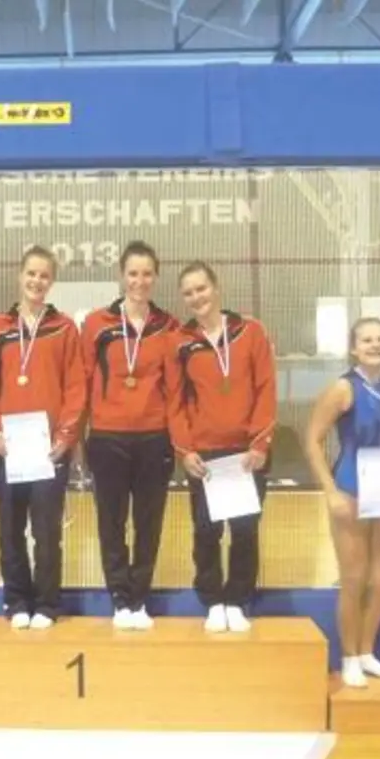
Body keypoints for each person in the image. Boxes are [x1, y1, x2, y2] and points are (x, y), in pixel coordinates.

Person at [167, 262, 276, 634]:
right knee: (206, 530)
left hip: (248, 453)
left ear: (216, 288)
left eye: (202, 288)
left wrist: (260, 443)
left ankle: (237, 600)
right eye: (189, 292)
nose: (197, 297)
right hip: (206, 455)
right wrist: (186, 451)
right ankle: (213, 599)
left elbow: (266, 388)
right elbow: (176, 403)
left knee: (245, 530)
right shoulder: (180, 341)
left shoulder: (251, 332)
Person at [0, 246, 87, 630]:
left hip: (48, 449)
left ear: (52, 281)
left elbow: (76, 386)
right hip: (8, 447)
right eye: (31, 273)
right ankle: (16, 600)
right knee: (10, 529)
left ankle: (46, 603)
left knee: (46, 530)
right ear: (20, 275)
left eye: (44, 276)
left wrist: (65, 437)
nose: (36, 282)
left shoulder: (64, 329)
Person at [304, 317, 380, 687]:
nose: (376, 345)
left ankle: (367, 651)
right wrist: (330, 491)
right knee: (354, 577)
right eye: (367, 340)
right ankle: (348, 656)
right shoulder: (342, 389)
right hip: (351, 485)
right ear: (353, 348)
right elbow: (312, 440)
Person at [79, 241, 179, 631]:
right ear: (122, 276)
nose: (140, 281)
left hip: (155, 438)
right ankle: (120, 598)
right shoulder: (96, 324)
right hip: (107, 438)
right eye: (133, 273)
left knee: (149, 523)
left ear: (156, 276)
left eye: (147, 274)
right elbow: (82, 382)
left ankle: (140, 599)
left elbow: (174, 387)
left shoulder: (169, 326)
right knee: (111, 522)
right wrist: (77, 439)